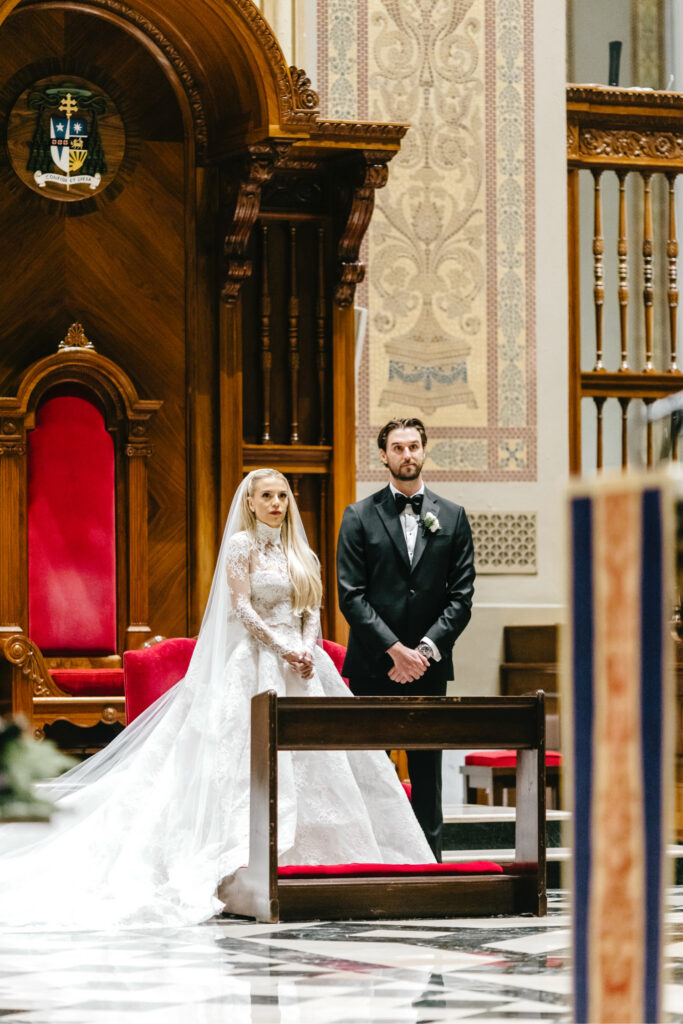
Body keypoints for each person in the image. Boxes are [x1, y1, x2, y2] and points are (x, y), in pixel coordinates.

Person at [0, 469, 433, 929]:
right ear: (250, 502)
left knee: (330, 761)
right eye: (266, 496)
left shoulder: (302, 552)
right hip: (258, 660)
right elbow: (242, 606)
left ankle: (340, 862)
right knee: (240, 756)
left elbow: (311, 609)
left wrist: (307, 647)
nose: (276, 504)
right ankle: (248, 863)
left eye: (282, 496)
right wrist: (282, 646)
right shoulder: (242, 545)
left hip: (305, 664)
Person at [336, 418, 475, 860]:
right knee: (371, 769)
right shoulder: (358, 515)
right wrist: (395, 650)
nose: (407, 454)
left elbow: (462, 596)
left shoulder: (452, 516)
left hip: (429, 667)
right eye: (398, 447)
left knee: (428, 771)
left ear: (424, 450)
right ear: (383, 455)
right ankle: (372, 856)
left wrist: (424, 652)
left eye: (414, 446)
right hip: (372, 665)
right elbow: (351, 596)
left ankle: (429, 862)